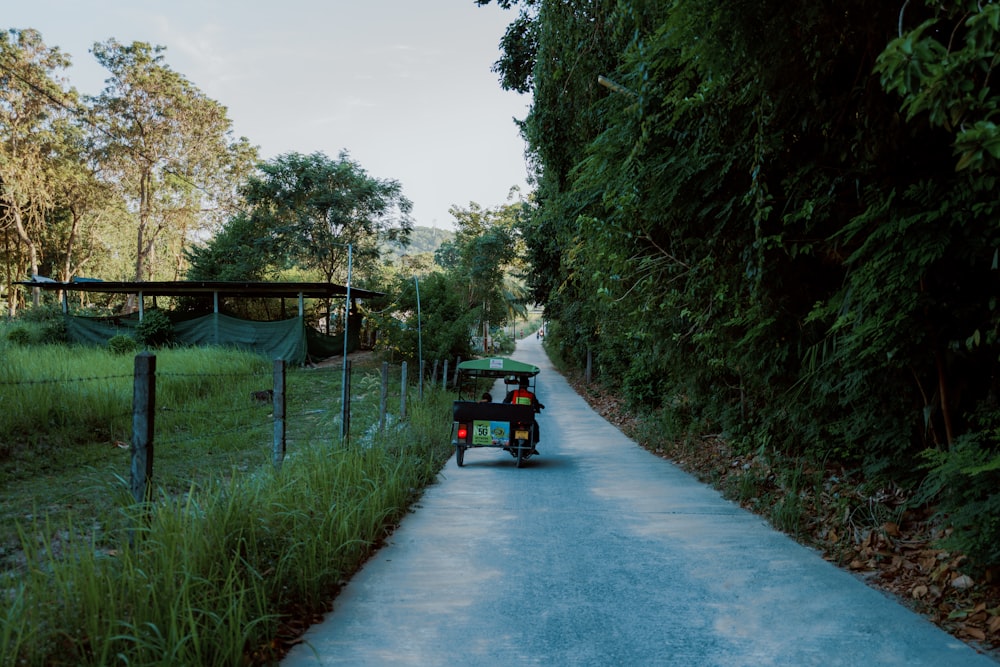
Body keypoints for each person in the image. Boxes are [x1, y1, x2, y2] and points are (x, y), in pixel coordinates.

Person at [503, 376, 544, 452]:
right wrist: (538, 407)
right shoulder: (531, 395)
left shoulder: (513, 393)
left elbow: (505, 403)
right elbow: (536, 405)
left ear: (519, 384)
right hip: (527, 419)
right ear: (527, 385)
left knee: (507, 426)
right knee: (535, 427)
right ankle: (533, 444)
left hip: (514, 418)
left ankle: (507, 444)